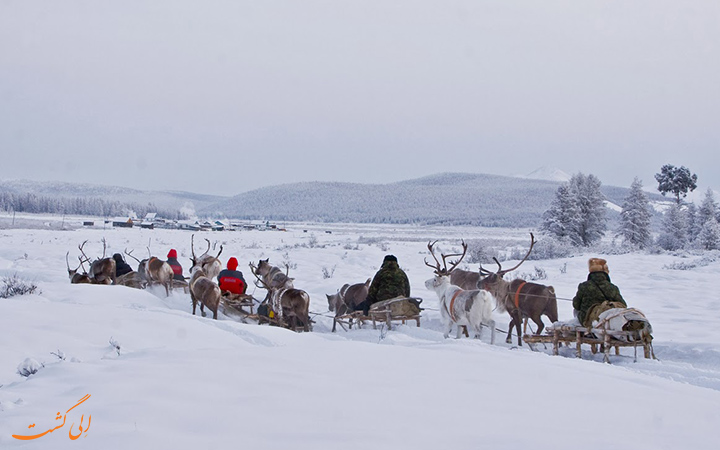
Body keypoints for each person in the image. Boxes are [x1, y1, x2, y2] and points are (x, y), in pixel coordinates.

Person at [573, 258, 627, 329]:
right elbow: (623, 305)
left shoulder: (584, 286)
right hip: (607, 319)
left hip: (589, 319)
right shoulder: (612, 287)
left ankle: (583, 324)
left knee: (575, 310)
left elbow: (576, 305)